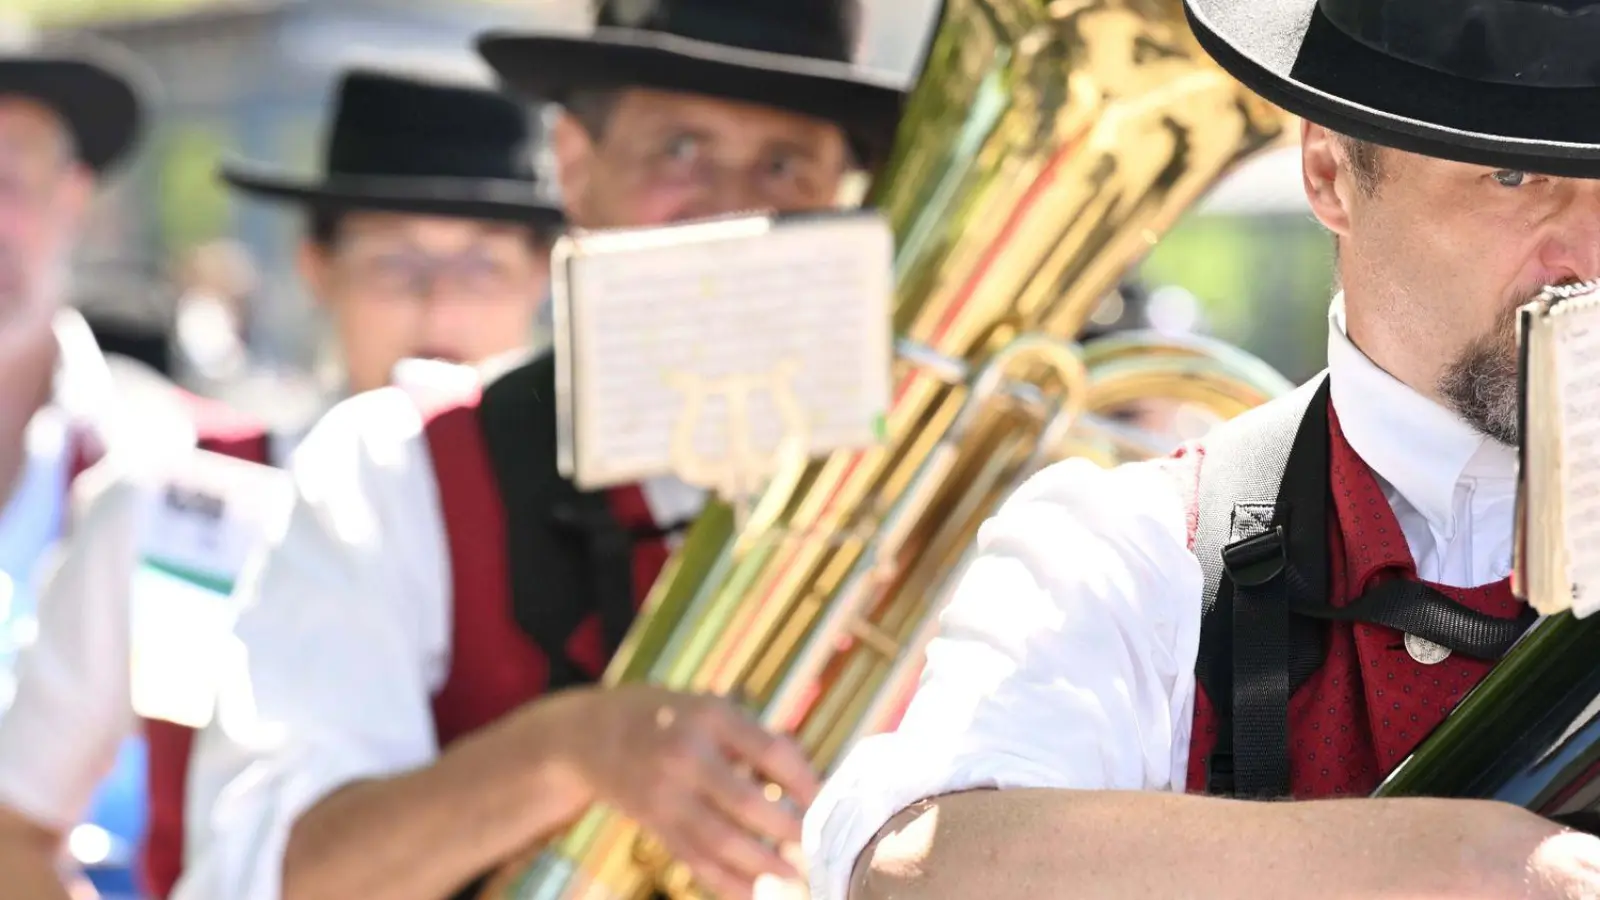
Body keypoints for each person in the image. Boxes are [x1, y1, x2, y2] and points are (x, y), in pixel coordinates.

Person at [805, 1, 1600, 898]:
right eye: (1514, 177)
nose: (1589, 253)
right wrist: (1468, 864)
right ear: (1330, 169)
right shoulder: (1134, 547)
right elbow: (917, 869)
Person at [175, 2, 909, 899]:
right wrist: (574, 752)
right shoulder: (391, 467)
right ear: (573, 165)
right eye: (680, 152)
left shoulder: (950, 488)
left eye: (785, 164)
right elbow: (264, 881)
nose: (732, 208)